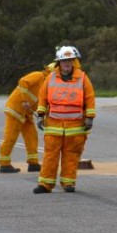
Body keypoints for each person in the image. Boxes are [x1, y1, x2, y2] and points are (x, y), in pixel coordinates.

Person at [33, 46, 95, 194]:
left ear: (74, 61)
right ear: (59, 62)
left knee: (71, 156)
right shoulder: (51, 78)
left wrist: (89, 118)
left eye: (70, 60)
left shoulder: (83, 78)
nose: (67, 63)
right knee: (50, 156)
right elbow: (43, 97)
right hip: (54, 125)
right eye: (64, 60)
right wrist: (40, 115)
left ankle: (68, 183)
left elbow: (90, 99)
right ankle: (45, 185)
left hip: (75, 126)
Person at [0, 63, 54, 174]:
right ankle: (4, 164)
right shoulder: (38, 76)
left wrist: (45, 118)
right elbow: (23, 81)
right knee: (10, 137)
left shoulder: (47, 85)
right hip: (15, 109)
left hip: (26, 113)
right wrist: (24, 100)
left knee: (32, 137)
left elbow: (39, 103)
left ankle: (33, 163)